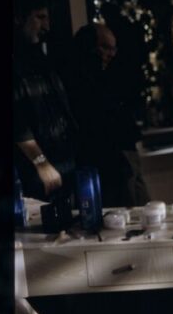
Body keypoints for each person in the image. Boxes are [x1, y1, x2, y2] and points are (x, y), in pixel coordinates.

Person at [63, 23, 149, 206]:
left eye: (113, 48)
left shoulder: (104, 75)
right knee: (131, 204)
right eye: (106, 47)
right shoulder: (84, 80)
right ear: (90, 47)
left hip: (121, 152)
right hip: (112, 157)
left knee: (137, 202)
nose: (111, 54)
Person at [13, 0, 80, 203]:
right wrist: (41, 163)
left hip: (61, 159)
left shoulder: (39, 58)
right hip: (37, 167)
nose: (46, 26)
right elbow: (16, 121)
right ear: (18, 19)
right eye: (39, 17)